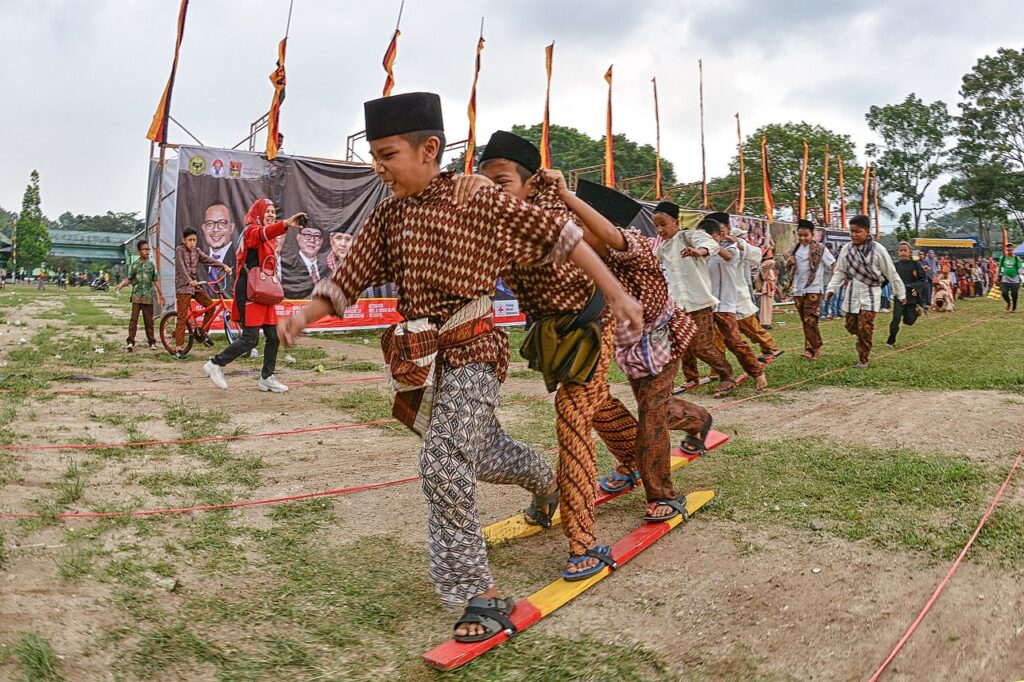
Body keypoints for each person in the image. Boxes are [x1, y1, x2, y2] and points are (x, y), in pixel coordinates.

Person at [277, 92, 642, 643]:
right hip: (423, 361)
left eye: (388, 154)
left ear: (429, 149)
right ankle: (545, 483)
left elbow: (562, 237)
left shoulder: (476, 200)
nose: (379, 166)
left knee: (442, 460)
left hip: (474, 351)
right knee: (484, 449)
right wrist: (305, 312)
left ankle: (477, 590)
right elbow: (347, 280)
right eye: (374, 154)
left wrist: (614, 292)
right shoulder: (388, 216)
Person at [471, 131, 642, 581]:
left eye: (502, 181)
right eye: (484, 182)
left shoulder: (553, 216)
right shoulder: (494, 221)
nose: (492, 192)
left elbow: (597, 250)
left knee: (572, 417)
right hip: (553, 330)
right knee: (596, 402)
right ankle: (638, 457)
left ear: (529, 184)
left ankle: (583, 545)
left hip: (592, 323)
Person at [573, 178, 711, 527]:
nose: (573, 233)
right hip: (631, 348)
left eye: (581, 225)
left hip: (661, 340)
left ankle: (661, 494)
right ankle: (698, 420)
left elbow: (617, 240)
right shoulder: (585, 260)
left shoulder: (632, 245)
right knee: (654, 410)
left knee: (651, 414)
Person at [203, 199, 303, 391]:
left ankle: (267, 377)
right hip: (250, 289)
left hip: (263, 291)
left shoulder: (267, 237)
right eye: (267, 212)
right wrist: (285, 224)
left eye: (274, 212)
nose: (271, 215)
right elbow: (263, 234)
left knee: (273, 336)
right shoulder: (251, 231)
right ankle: (215, 363)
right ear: (258, 213)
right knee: (250, 339)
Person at [651, 201, 738, 394]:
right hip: (677, 305)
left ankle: (727, 374)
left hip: (699, 302)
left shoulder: (688, 237)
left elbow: (709, 244)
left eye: (663, 224)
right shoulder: (663, 248)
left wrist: (699, 251)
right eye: (656, 226)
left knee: (701, 346)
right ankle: (691, 377)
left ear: (676, 221)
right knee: (682, 345)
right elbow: (650, 262)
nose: (659, 229)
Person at [825, 215, 906, 368]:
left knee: (865, 327)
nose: (854, 235)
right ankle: (861, 339)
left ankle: (863, 358)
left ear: (868, 231)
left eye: (858, 231)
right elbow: (840, 271)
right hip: (852, 295)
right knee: (850, 326)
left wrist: (900, 294)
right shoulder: (847, 249)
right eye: (852, 232)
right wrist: (831, 288)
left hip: (870, 295)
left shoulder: (878, 250)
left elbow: (891, 273)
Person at [703, 217, 767, 388]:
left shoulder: (733, 247)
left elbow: (732, 256)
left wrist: (716, 244)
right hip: (708, 305)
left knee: (735, 341)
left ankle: (758, 372)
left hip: (728, 304)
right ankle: (722, 374)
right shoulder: (704, 252)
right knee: (704, 343)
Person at [715, 217, 782, 365]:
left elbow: (756, 255)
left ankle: (770, 348)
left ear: (727, 229)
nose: (719, 235)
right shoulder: (708, 247)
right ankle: (717, 367)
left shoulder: (737, 245)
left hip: (738, 297)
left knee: (752, 328)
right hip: (717, 301)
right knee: (718, 335)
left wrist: (737, 243)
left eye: (722, 231)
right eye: (715, 232)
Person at [173, 227, 231, 359]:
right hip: (183, 286)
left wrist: (223, 266)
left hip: (194, 286)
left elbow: (209, 260)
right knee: (182, 317)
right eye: (190, 240)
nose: (192, 243)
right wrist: (189, 280)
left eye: (194, 240)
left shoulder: (197, 251)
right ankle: (178, 349)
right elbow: (181, 267)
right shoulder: (179, 250)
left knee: (211, 306)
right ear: (184, 240)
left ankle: (202, 334)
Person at [786, 220, 836, 360]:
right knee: (805, 319)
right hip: (798, 289)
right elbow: (788, 266)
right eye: (800, 235)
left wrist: (833, 282)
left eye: (805, 235)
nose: (802, 238)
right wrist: (788, 263)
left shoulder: (820, 248)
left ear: (812, 234)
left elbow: (832, 263)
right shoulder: (794, 249)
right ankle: (809, 348)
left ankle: (816, 347)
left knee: (810, 319)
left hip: (814, 287)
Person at [115, 240, 165, 351]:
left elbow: (156, 280)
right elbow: (129, 279)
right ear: (139, 251)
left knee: (149, 321)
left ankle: (152, 342)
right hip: (136, 296)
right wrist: (121, 285)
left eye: (148, 249)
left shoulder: (151, 265)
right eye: (145, 249)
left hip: (148, 297)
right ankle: (130, 342)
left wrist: (161, 294)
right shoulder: (135, 265)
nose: (147, 251)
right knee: (134, 320)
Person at [886, 242, 927, 347]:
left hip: (912, 294)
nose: (903, 252)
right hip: (899, 296)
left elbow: (922, 279)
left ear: (910, 253)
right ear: (897, 253)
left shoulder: (915, 264)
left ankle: (916, 313)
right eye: (901, 250)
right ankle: (891, 340)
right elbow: (887, 277)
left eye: (905, 250)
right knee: (896, 318)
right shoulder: (895, 266)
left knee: (909, 321)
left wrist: (912, 286)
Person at [282, 222, 329, 299]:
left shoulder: (327, 266)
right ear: (298, 237)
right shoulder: (288, 265)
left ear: (321, 241)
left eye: (316, 236)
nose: (312, 240)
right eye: (307, 235)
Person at [197, 202, 238, 286]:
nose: (215, 229)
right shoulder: (196, 258)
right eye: (210, 224)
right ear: (203, 228)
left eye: (222, 223)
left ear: (231, 228)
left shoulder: (239, 258)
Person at [997, 247, 1022, 312]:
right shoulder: (1002, 258)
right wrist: (997, 276)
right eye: (1008, 250)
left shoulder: (1017, 258)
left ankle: (1014, 307)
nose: (1009, 251)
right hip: (1005, 279)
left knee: (1014, 294)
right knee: (1004, 293)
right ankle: (1008, 302)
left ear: (1013, 250)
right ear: (1006, 250)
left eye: (1010, 250)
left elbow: (1020, 268)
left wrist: (1020, 276)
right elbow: (999, 267)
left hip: (1015, 279)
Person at [759, 257, 776, 328]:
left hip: (770, 286)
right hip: (767, 287)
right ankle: (764, 322)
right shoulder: (765, 268)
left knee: (769, 305)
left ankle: (768, 321)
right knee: (765, 305)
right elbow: (771, 262)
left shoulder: (770, 269)